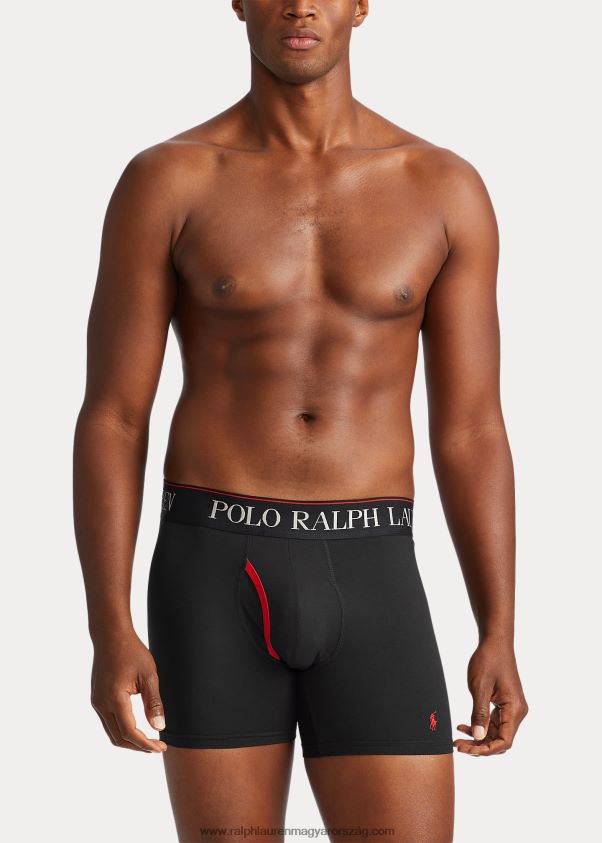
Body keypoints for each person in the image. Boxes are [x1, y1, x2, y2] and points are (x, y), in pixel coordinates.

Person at [73, 1, 528, 840]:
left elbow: (471, 429)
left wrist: (498, 627)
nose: (299, 4)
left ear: (361, 5)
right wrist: (110, 626)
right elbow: (114, 416)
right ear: (239, 3)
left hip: (374, 564)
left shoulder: (442, 187)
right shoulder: (169, 180)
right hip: (212, 564)